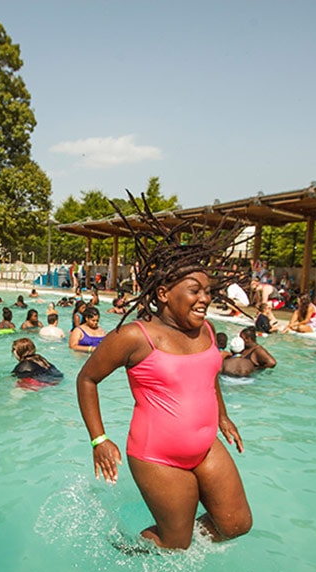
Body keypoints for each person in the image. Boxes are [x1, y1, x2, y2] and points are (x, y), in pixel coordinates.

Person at [76, 194, 251, 550]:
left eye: (208, 291)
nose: (205, 298)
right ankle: (131, 548)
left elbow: (209, 375)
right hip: (158, 455)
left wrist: (223, 415)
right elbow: (87, 378)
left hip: (206, 446)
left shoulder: (204, 329)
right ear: (164, 294)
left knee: (236, 524)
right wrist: (99, 439)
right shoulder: (134, 337)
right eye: (195, 290)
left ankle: (178, 536)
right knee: (176, 545)